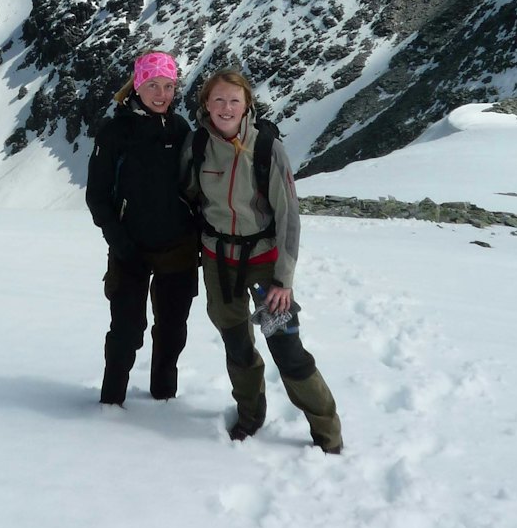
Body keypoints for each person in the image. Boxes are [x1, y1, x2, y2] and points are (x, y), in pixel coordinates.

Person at [184, 69, 344, 454]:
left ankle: (328, 433)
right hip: (218, 262)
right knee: (237, 344)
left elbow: (289, 216)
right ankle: (249, 416)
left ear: (247, 105)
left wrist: (283, 280)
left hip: (265, 265)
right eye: (218, 99)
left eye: (234, 100)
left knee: (287, 349)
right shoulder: (198, 145)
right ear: (206, 103)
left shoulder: (267, 147)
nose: (225, 108)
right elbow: (189, 199)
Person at [85, 51, 199, 406]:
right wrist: (119, 242)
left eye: (168, 85)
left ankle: (164, 397)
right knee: (127, 330)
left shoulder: (181, 128)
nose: (161, 93)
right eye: (153, 85)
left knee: (172, 328)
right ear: (138, 85)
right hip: (129, 247)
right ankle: (111, 401)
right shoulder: (116, 131)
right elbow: (97, 196)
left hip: (177, 246)